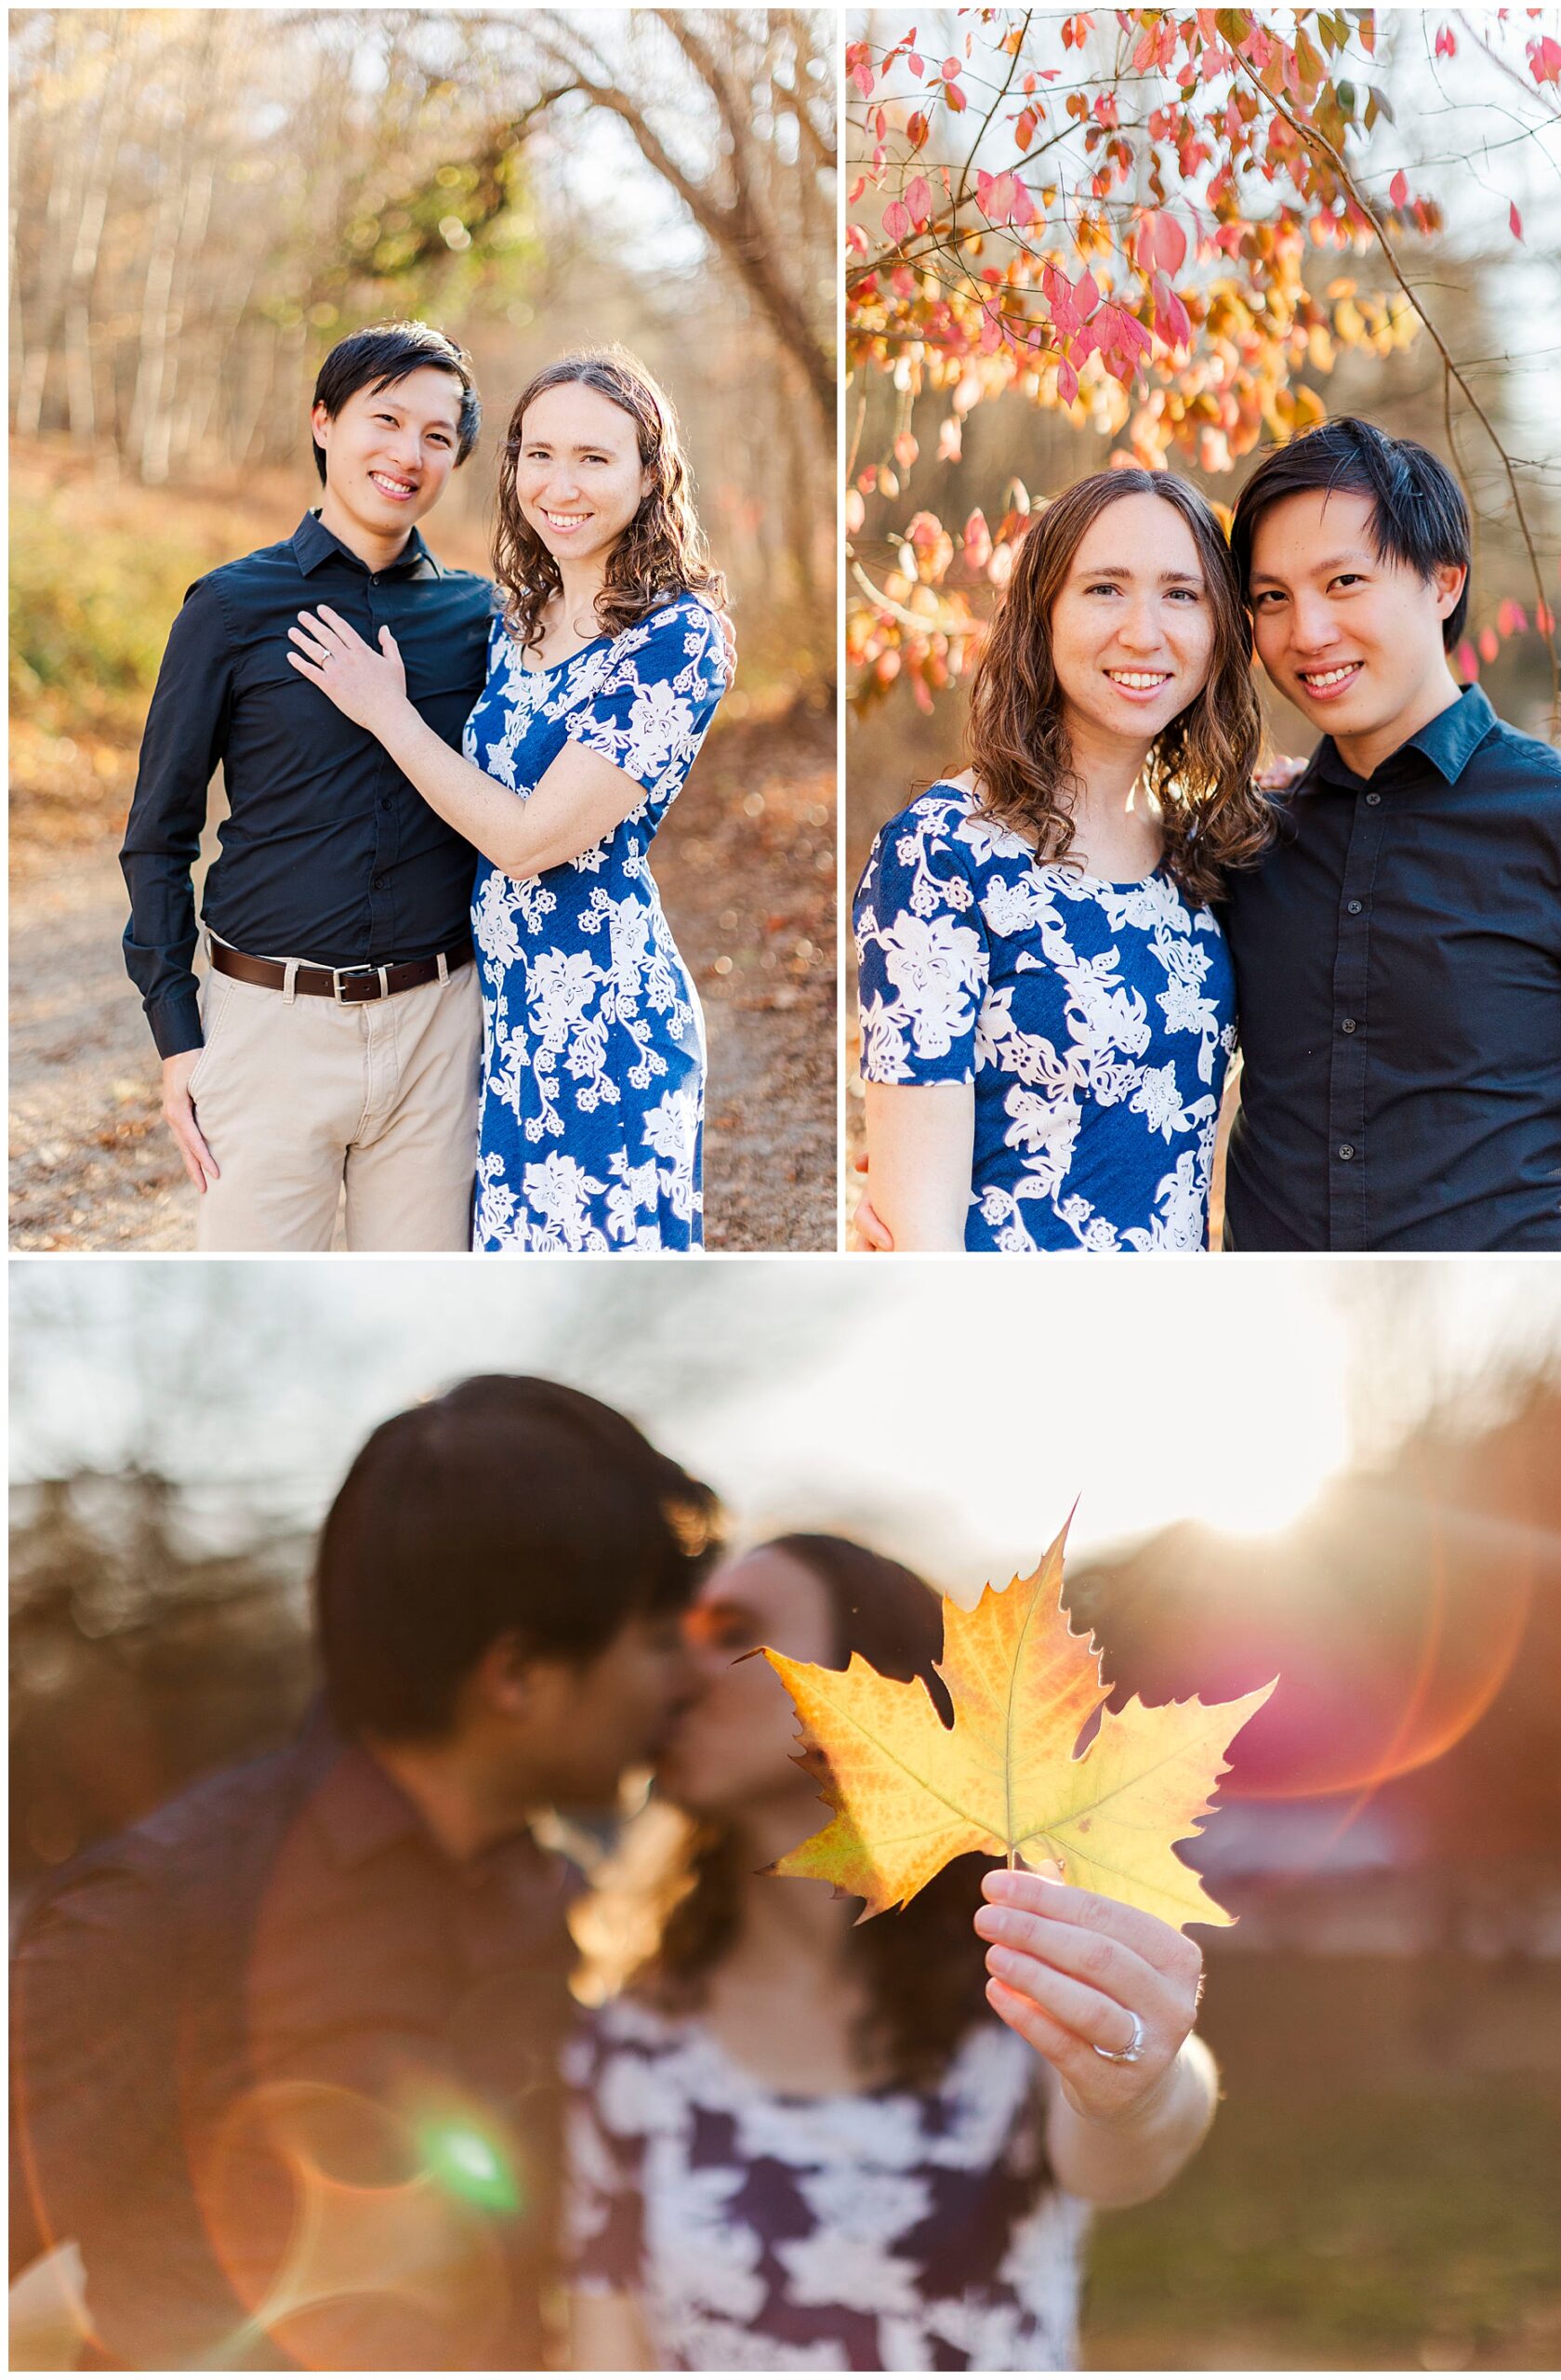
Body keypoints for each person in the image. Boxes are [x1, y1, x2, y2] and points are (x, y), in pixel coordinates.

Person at [9, 1377, 721, 2372]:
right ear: (516, 1675)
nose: (684, 1680)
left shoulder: (557, 1904)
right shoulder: (165, 1910)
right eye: (654, 1643)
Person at [562, 1535, 1219, 2372]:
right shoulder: (631, 2039)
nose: (680, 1673)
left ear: (866, 1680)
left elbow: (1126, 2152)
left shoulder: (1010, 1977)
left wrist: (1138, 2082)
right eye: (675, 1638)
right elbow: (605, 2346)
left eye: (732, 1629)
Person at [287, 347, 731, 1252]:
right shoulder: (513, 616)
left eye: (594, 459)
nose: (558, 485)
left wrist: (386, 712)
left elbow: (528, 840)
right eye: (539, 453)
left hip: (605, 1026)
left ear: (650, 476)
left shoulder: (677, 639)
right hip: (498, 1020)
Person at [1221, 416, 1561, 1250]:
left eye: (1345, 581)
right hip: (1277, 1351)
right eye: (1271, 597)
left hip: (1509, 1355)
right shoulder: (1251, 843)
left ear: (1443, 583)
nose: (1306, 633)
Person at [120, 320, 496, 1252]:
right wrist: (179, 1035)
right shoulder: (229, 607)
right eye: (387, 419)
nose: (408, 454)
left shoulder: (479, 619)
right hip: (268, 1028)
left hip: (437, 1027)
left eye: (437, 437)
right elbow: (159, 835)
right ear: (325, 422)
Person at [851, 468, 1273, 1250]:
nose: (1144, 632)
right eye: (1105, 588)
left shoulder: (1207, 849)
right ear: (1041, 613)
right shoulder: (944, 851)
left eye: (1182, 594)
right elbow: (917, 1235)